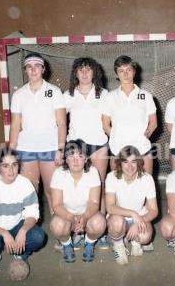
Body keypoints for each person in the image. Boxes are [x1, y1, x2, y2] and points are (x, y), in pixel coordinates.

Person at [9, 52, 66, 214]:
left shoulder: (54, 92)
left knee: (52, 192)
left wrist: (60, 149)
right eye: (29, 67)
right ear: (25, 70)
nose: (33, 70)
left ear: (43, 69)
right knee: (30, 193)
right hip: (26, 149)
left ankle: (60, 235)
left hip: (50, 148)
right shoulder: (19, 94)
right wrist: (11, 151)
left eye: (37, 66)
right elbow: (15, 126)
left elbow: (61, 123)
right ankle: (29, 233)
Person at [0, 148, 45, 276]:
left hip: (17, 224)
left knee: (38, 237)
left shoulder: (25, 184)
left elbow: (32, 213)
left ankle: (19, 253)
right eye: (5, 166)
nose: (11, 170)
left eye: (14, 165)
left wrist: (23, 230)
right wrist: (4, 233)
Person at [64, 57, 110, 249]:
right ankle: (77, 231)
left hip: (99, 145)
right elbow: (57, 119)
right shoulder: (68, 94)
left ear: (94, 73)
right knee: (76, 189)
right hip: (76, 148)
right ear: (76, 73)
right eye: (80, 70)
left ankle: (100, 231)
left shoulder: (104, 94)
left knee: (99, 187)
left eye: (88, 70)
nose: (84, 73)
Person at [49, 139, 106, 263]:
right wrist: (72, 218)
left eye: (80, 156)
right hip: (66, 214)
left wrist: (84, 217)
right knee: (56, 226)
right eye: (71, 156)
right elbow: (57, 205)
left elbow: (94, 203)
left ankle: (89, 243)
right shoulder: (58, 174)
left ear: (86, 159)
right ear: (66, 159)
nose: (75, 160)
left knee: (100, 223)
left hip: (87, 214)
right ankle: (66, 244)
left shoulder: (93, 172)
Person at [102, 55, 157, 175]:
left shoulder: (146, 95)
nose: (125, 74)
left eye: (128, 70)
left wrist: (143, 136)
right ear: (116, 74)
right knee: (118, 188)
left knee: (146, 189)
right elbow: (105, 125)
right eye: (121, 71)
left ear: (134, 71)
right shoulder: (110, 97)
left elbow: (153, 123)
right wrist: (118, 137)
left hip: (143, 149)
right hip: (118, 150)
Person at [105, 145, 158, 265]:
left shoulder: (147, 178)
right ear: (120, 163)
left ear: (138, 162)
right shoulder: (112, 177)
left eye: (133, 161)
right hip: (119, 216)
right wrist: (132, 214)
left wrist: (138, 222)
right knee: (117, 224)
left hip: (140, 216)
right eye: (125, 162)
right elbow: (110, 207)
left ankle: (135, 242)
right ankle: (118, 245)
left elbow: (154, 210)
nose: (130, 166)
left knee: (145, 237)